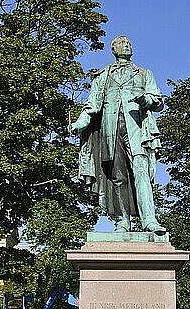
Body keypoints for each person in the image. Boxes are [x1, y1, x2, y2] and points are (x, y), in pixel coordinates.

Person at [70, 35, 166, 235]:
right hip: (110, 132)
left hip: (137, 131)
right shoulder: (103, 75)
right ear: (114, 49)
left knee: (141, 173)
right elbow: (92, 105)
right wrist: (78, 124)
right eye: (123, 44)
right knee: (118, 177)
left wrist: (146, 100)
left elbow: (158, 100)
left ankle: (149, 220)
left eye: (130, 43)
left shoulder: (143, 73)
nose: (128, 46)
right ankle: (123, 220)